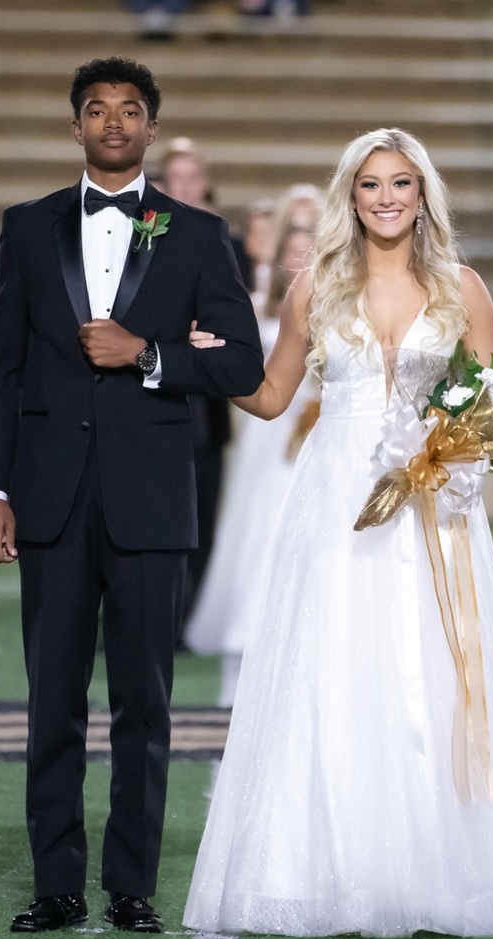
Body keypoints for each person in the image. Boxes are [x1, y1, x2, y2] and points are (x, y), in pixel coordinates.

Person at [182, 128, 493, 937]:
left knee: (431, 668)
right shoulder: (314, 286)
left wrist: (456, 448)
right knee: (333, 664)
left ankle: (444, 872)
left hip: (434, 507)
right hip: (336, 498)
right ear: (351, 195)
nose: (385, 198)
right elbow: (270, 398)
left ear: (422, 195)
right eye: (370, 184)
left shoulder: (463, 287)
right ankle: (329, 873)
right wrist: (207, 362)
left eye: (401, 183)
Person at [0, 56, 264, 935]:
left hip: (151, 499)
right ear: (76, 126)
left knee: (145, 704)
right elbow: (2, 368)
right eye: (97, 109)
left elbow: (241, 365)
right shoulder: (27, 227)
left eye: (129, 110)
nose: (112, 122)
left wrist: (146, 354)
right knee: (52, 701)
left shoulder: (199, 233)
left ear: (150, 127)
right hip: (49, 499)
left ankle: (131, 886)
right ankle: (56, 886)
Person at [184, 187, 324, 704]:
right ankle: (248, 619)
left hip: (317, 423)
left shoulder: (334, 291)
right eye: (296, 229)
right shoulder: (259, 290)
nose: (302, 240)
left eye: (312, 230)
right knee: (259, 517)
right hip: (267, 426)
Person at [156, 136, 253, 624]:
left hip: (206, 411)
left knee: (201, 516)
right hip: (151, 396)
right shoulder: (141, 236)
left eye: (193, 177)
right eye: (176, 177)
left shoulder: (228, 246)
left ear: (207, 184)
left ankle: (187, 618)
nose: (185, 186)